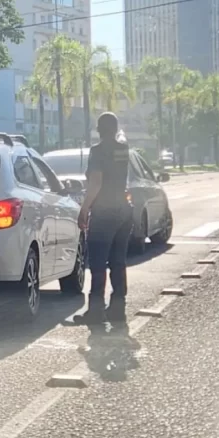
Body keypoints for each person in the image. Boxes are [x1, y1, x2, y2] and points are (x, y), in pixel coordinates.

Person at [72, 112, 133, 325]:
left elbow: (96, 182)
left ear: (98, 129)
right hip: (124, 211)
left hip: (104, 212)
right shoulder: (123, 149)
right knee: (118, 261)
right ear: (115, 129)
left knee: (98, 262)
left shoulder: (97, 151)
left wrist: (84, 209)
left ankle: (96, 311)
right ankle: (118, 308)